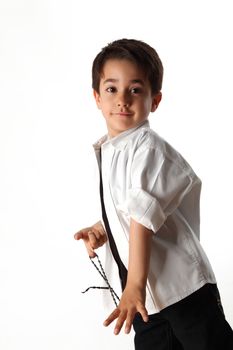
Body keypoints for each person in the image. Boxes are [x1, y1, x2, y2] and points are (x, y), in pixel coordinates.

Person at [74, 38, 233, 349]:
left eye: (135, 90)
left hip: (180, 287)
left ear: (154, 100)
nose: (122, 100)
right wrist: (101, 228)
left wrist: (133, 286)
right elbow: (127, 208)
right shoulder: (112, 149)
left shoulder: (148, 149)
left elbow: (142, 220)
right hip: (148, 297)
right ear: (96, 96)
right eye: (111, 89)